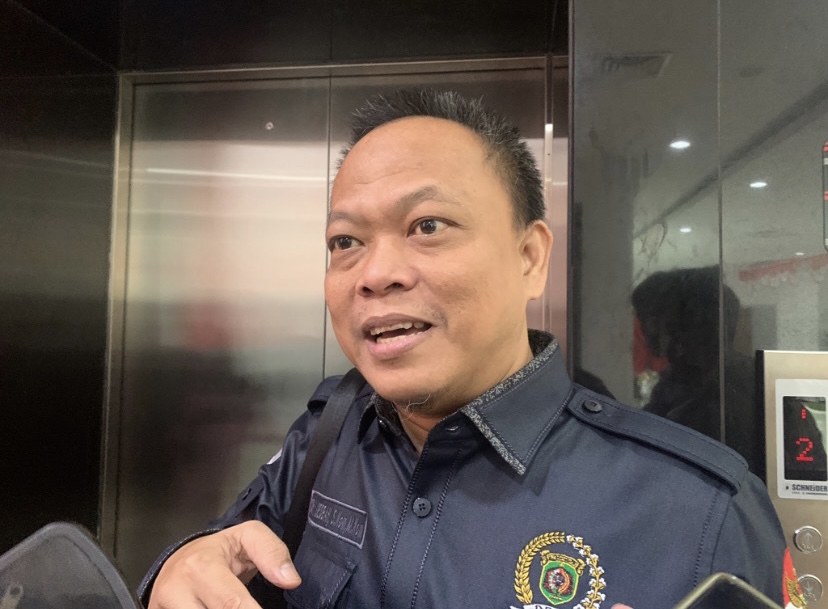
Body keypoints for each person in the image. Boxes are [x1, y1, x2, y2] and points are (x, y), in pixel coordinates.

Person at [140, 90, 799, 609]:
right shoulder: (328, 433)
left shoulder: (703, 509)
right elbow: (224, 551)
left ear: (530, 257)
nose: (376, 273)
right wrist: (177, 564)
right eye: (346, 241)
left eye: (427, 225)